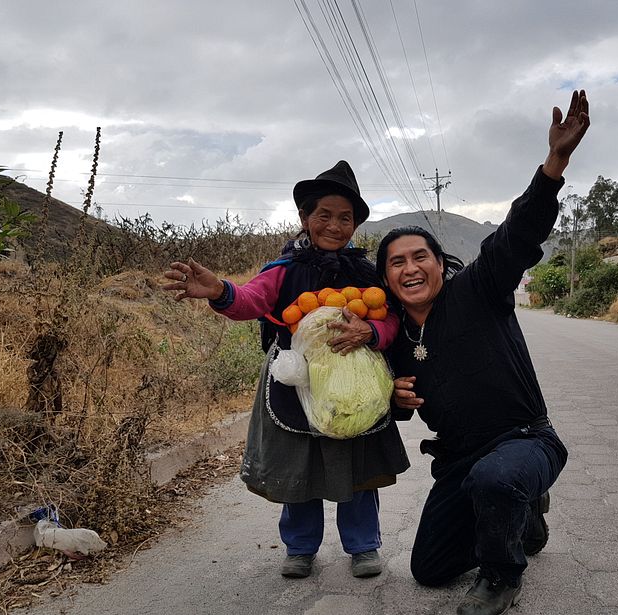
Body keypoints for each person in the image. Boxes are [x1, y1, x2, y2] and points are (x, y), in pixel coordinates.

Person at [378, 91, 589, 615]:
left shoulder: (480, 288)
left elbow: (517, 235)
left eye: (419, 256)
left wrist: (554, 163)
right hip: (460, 460)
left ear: (440, 263)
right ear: (386, 278)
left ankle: (501, 575)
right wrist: (395, 399)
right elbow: (391, 408)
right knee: (429, 570)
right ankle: (522, 518)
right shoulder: (391, 338)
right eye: (396, 262)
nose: (409, 268)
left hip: (525, 441)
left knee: (498, 479)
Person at [162, 161, 409, 579]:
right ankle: (300, 548)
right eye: (324, 216)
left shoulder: (368, 274)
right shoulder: (284, 269)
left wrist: (371, 331)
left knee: (357, 467)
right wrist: (220, 291)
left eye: (344, 218)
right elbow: (251, 300)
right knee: (301, 469)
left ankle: (364, 546)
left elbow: (391, 321)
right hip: (296, 386)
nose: (334, 225)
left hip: (355, 389)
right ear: (305, 219)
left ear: (354, 224)